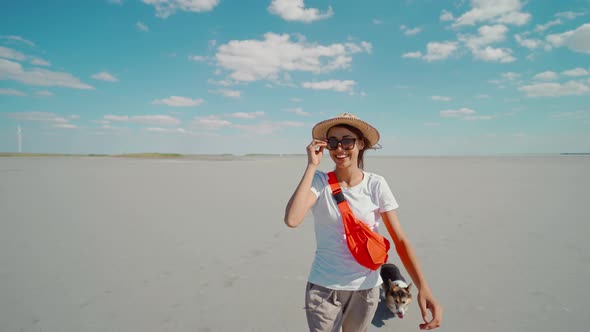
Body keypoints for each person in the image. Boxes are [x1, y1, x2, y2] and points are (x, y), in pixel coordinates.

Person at [284, 113, 443, 331]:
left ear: (360, 143)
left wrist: (423, 287)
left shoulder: (376, 184)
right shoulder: (319, 182)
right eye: (333, 142)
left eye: (347, 141)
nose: (339, 148)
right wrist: (312, 166)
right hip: (324, 288)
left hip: (366, 288)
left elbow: (400, 239)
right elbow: (292, 219)